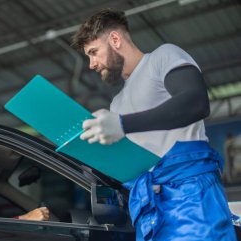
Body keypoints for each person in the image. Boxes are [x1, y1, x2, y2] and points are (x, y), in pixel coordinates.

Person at [71, 9, 236, 241]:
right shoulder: (117, 103)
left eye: (93, 52)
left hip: (190, 197)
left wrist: (122, 124)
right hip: (149, 210)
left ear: (115, 40)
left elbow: (196, 102)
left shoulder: (162, 57)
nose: (91, 64)